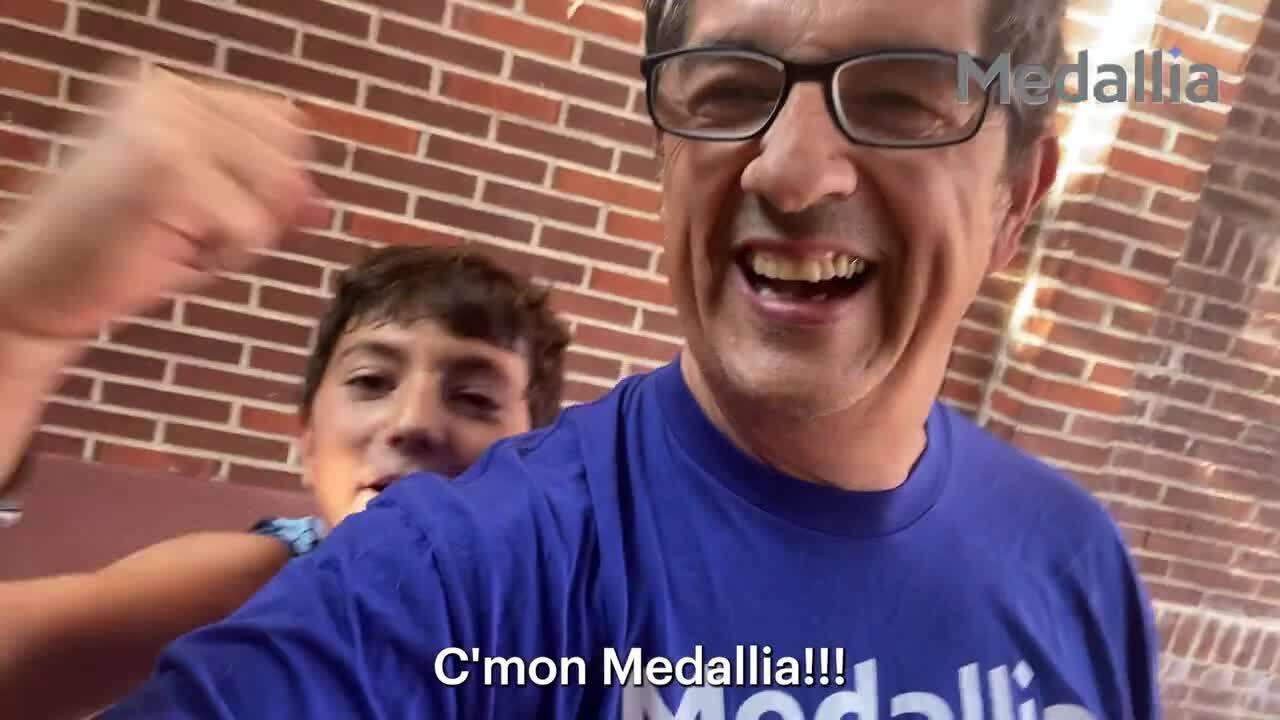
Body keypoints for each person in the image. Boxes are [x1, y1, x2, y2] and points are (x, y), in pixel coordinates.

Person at [20, 0, 1164, 716]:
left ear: (1017, 199)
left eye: (901, 100)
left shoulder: (1074, 560)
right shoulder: (445, 575)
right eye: (727, 93)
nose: (788, 169)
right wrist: (21, 321)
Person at [0, 238, 569, 717]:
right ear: (309, 442)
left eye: (473, 398)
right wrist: (25, 326)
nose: (412, 422)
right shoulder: (254, 584)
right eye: (371, 381)